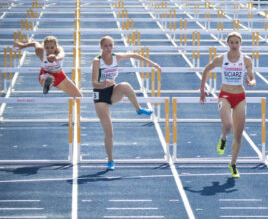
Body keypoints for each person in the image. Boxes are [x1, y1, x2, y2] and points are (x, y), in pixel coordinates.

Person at [92, 36, 161, 170]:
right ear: (101, 47)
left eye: (110, 45)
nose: (108, 48)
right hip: (100, 95)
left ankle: (138, 109)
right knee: (109, 133)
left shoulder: (116, 57)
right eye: (105, 46)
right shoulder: (97, 61)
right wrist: (103, 84)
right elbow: (93, 82)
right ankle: (110, 160)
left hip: (112, 91)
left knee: (125, 85)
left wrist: (153, 64)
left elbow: (134, 55)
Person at [199, 32, 256, 178]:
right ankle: (223, 137)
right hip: (224, 95)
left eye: (237, 42)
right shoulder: (221, 59)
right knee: (228, 125)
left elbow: (253, 78)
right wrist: (202, 88)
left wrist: (251, 83)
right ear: (228, 44)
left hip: (240, 97)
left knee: (238, 135)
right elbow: (206, 69)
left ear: (240, 44)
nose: (235, 45)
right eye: (232, 42)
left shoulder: (246, 60)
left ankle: (233, 164)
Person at [13, 36, 82, 97]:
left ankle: (52, 84)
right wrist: (23, 46)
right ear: (44, 47)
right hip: (45, 74)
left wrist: (56, 58)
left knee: (79, 96)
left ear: (56, 47)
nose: (49, 50)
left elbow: (62, 54)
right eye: (47, 48)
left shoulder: (59, 50)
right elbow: (35, 43)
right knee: (49, 78)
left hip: (59, 75)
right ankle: (46, 85)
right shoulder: (40, 51)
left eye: (52, 48)